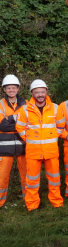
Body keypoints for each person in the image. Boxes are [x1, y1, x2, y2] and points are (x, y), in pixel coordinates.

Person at [15, 80, 65, 210]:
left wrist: (53, 136)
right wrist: (30, 139)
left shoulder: (55, 107)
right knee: (31, 180)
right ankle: (32, 205)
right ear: (32, 93)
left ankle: (56, 202)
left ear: (46, 92)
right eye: (37, 92)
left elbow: (61, 126)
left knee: (54, 179)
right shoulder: (25, 109)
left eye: (42, 91)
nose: (40, 94)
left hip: (51, 150)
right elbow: (20, 127)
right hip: (33, 151)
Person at [0, 75, 27, 207]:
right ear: (4, 89)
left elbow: (28, 124)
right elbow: (2, 126)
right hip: (5, 147)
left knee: (26, 174)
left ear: (18, 88)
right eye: (8, 88)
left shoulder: (26, 104)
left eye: (14, 87)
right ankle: (0, 202)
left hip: (23, 145)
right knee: (2, 176)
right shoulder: (0, 104)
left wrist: (9, 119)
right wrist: (17, 120)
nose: (11, 90)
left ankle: (28, 200)